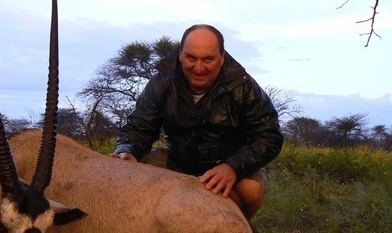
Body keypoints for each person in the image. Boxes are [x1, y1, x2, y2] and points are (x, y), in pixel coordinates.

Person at [109, 24, 283, 219]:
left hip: (226, 166)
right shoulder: (162, 81)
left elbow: (269, 136)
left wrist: (233, 166)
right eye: (191, 58)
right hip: (177, 162)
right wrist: (127, 150)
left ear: (222, 57)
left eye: (208, 59)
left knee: (250, 189)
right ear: (180, 55)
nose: (198, 68)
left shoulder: (244, 86)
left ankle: (239, 230)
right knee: (124, 170)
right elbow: (140, 125)